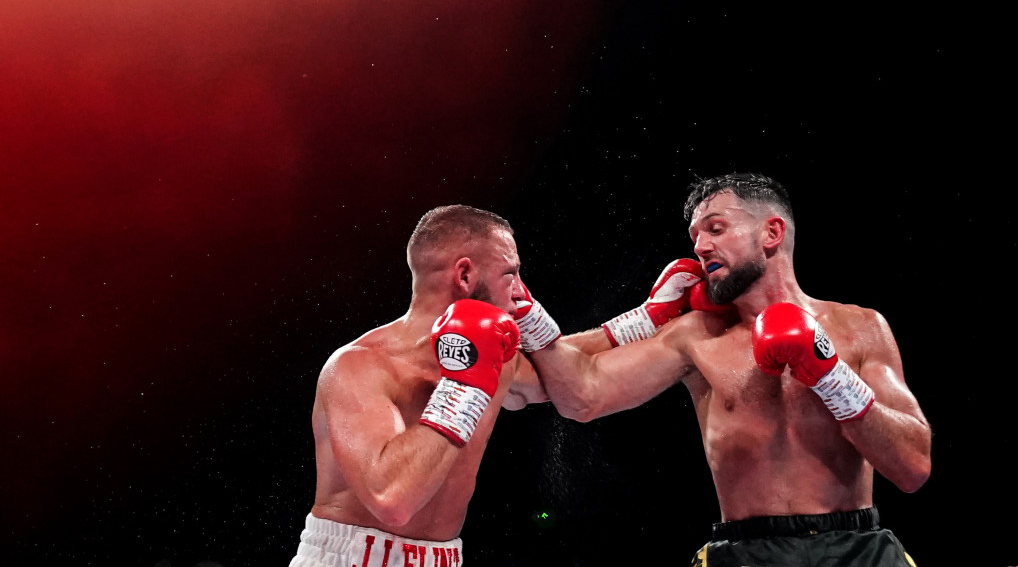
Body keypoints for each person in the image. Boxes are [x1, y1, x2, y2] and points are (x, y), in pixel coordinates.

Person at [517, 173, 931, 566]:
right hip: (747, 552)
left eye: (715, 229)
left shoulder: (861, 327)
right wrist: (537, 318)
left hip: (860, 548)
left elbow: (913, 467)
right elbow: (582, 394)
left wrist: (831, 376)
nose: (700, 246)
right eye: (695, 236)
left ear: (772, 233)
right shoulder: (695, 336)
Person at [290, 204, 606, 567]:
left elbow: (575, 366)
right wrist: (464, 385)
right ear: (466, 275)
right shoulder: (358, 366)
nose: (520, 293)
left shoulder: (496, 358)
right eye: (510, 273)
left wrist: (652, 318)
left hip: (443, 557)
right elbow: (391, 499)